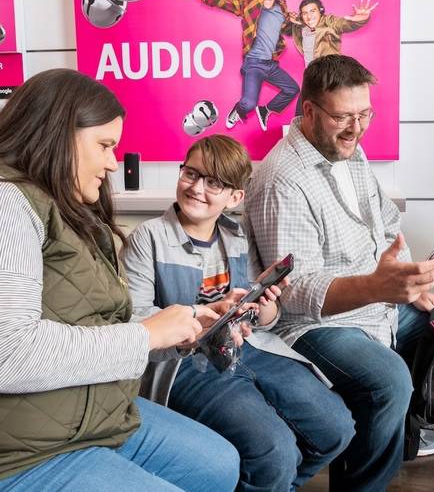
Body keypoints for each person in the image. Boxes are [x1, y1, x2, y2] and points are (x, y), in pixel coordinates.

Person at [0, 69, 240, 491]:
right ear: (55, 134)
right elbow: (2, 356)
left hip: (67, 414)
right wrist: (145, 335)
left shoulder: (52, 203)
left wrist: (175, 331)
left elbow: (80, 324)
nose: (112, 162)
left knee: (217, 464)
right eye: (105, 146)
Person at [244, 54, 434, 491]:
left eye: (365, 114)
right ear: (308, 111)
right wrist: (380, 287)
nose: (357, 128)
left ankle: (397, 431)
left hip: (373, 303)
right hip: (312, 325)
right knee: (389, 381)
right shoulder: (281, 180)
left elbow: (386, 226)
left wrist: (412, 288)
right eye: (343, 116)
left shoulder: (351, 152)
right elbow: (296, 291)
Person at [120, 134, 354, 491]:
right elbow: (137, 321)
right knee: (274, 452)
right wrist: (202, 316)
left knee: (336, 428)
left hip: (249, 348)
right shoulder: (147, 238)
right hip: (186, 363)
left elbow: (264, 318)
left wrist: (263, 306)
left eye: (214, 182)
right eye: (191, 174)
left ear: (235, 197)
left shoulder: (239, 236)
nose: (197, 188)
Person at [171, 0, 299, 132]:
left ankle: (265, 110)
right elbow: (219, 1)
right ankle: (237, 111)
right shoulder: (249, 4)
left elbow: (286, 29)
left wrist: (294, 22)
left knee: (292, 89)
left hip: (271, 65)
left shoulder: (281, 9)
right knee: (248, 103)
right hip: (254, 64)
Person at [290, 0, 378, 67]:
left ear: (320, 11)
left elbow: (342, 24)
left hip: (330, 74)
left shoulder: (329, 22)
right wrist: (288, 18)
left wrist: (361, 19)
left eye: (312, 11)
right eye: (305, 13)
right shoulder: (301, 26)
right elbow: (286, 28)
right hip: (310, 75)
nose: (309, 17)